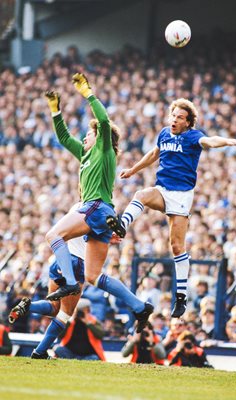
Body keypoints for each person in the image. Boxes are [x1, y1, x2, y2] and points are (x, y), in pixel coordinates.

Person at [106, 98, 236, 318]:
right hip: (163, 189)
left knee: (177, 247)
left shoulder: (193, 136)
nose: (174, 120)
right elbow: (154, 154)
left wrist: (227, 141)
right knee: (141, 194)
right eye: (173, 115)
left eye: (180, 117)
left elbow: (210, 141)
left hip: (181, 195)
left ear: (188, 122)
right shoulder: (164, 133)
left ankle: (181, 295)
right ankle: (121, 226)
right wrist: (133, 170)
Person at [44, 73, 153, 333]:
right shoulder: (85, 154)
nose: (84, 138)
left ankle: (69, 281)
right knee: (93, 277)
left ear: (100, 138)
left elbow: (103, 120)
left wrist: (89, 94)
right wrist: (55, 111)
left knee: (54, 234)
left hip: (94, 206)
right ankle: (139, 306)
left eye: (89, 134)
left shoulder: (104, 151)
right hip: (101, 215)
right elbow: (62, 138)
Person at [8, 210, 85, 359]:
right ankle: (40, 352)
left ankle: (28, 306)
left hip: (60, 259)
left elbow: (61, 233)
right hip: (77, 263)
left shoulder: (76, 208)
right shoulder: (99, 209)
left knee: (54, 307)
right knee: (64, 314)